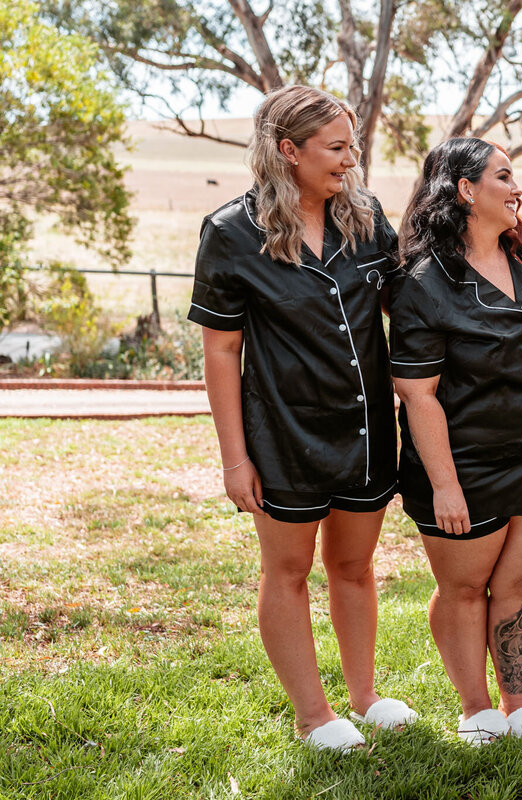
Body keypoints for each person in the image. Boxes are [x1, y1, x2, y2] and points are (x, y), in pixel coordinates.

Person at [189, 85, 416, 752]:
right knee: (286, 572)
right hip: (281, 434)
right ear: (288, 151)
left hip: (367, 429)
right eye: (336, 147)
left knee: (355, 567)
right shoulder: (230, 233)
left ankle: (364, 697)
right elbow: (221, 350)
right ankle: (313, 716)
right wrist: (235, 458)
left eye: (353, 147)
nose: (350, 160)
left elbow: (409, 313)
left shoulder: (367, 220)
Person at [388, 138, 522, 746]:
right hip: (462, 466)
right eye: (504, 176)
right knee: (463, 589)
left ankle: (517, 705)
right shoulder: (424, 282)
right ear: (465, 190)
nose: (517, 189)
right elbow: (419, 394)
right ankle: (475, 709)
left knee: (518, 583)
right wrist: (444, 484)